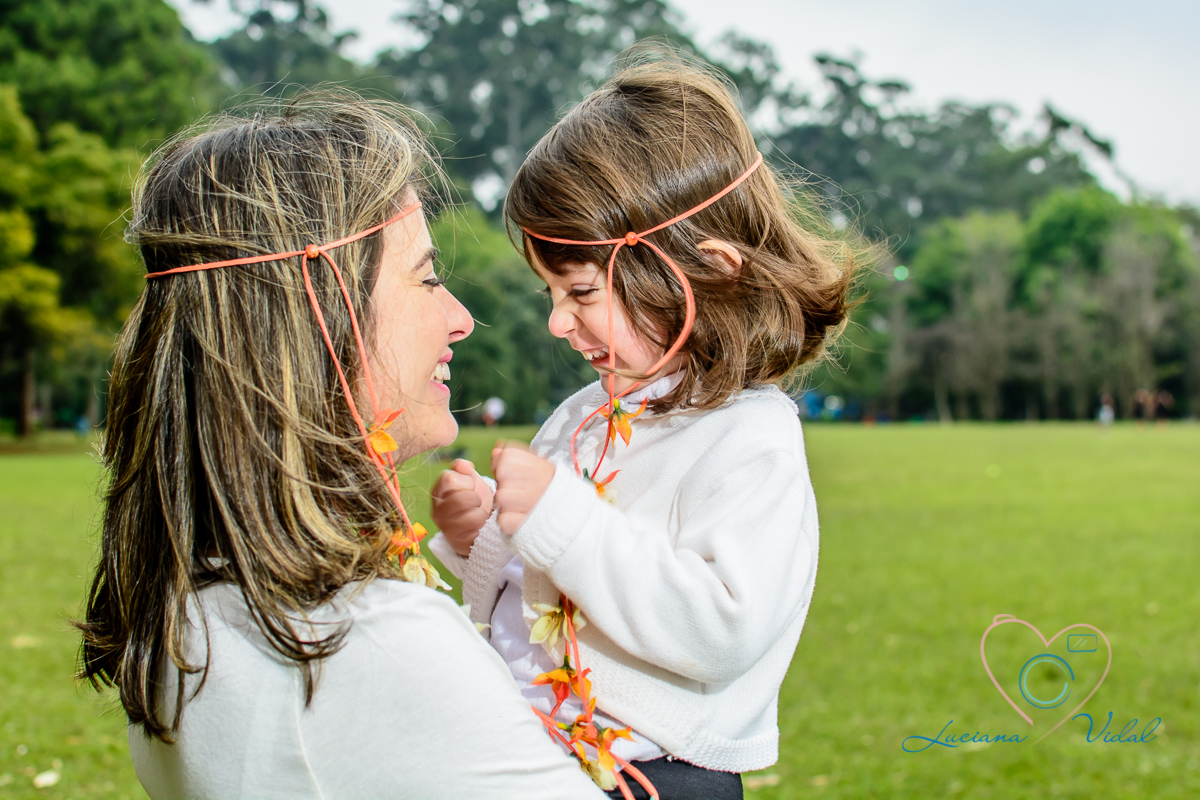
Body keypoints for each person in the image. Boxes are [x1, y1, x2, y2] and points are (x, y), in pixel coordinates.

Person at [76, 95, 606, 800]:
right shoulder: (369, 645)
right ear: (316, 313)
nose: (460, 319)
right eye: (426, 276)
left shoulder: (188, 616)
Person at [429, 49, 859, 799]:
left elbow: (720, 630)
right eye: (550, 293)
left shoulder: (749, 437)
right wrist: (484, 541)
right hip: (537, 752)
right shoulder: (581, 415)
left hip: (651, 772)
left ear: (709, 269)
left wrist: (560, 519)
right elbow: (544, 595)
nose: (558, 322)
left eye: (581, 292)